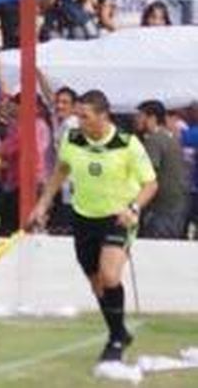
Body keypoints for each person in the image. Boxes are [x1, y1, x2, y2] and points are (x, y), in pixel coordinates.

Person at [29, 90, 157, 365]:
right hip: (83, 217)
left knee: (110, 275)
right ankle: (118, 330)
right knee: (96, 283)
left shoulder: (127, 143)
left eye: (85, 116)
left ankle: (116, 340)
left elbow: (150, 183)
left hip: (118, 217)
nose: (79, 121)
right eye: (78, 115)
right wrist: (43, 203)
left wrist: (133, 208)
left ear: (103, 116)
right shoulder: (72, 138)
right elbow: (61, 170)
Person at [132, 101, 189, 240]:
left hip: (161, 210)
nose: (136, 119)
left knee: (155, 253)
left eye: (140, 116)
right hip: (177, 207)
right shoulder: (171, 138)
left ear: (152, 118)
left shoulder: (154, 141)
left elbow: (147, 175)